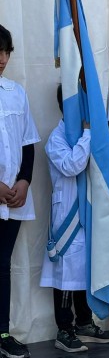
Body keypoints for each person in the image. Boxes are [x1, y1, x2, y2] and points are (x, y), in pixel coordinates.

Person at [39, 85, 109, 353]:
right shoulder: (56, 138)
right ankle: (64, 329)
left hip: (89, 212)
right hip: (67, 216)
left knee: (85, 270)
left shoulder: (90, 134)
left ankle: (84, 323)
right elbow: (72, 165)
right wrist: (86, 135)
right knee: (66, 274)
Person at [0, 24, 40, 358]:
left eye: (6, 51)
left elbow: (28, 143)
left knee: (2, 264)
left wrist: (24, 181)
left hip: (12, 198)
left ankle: (2, 332)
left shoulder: (15, 92)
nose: (2, 58)